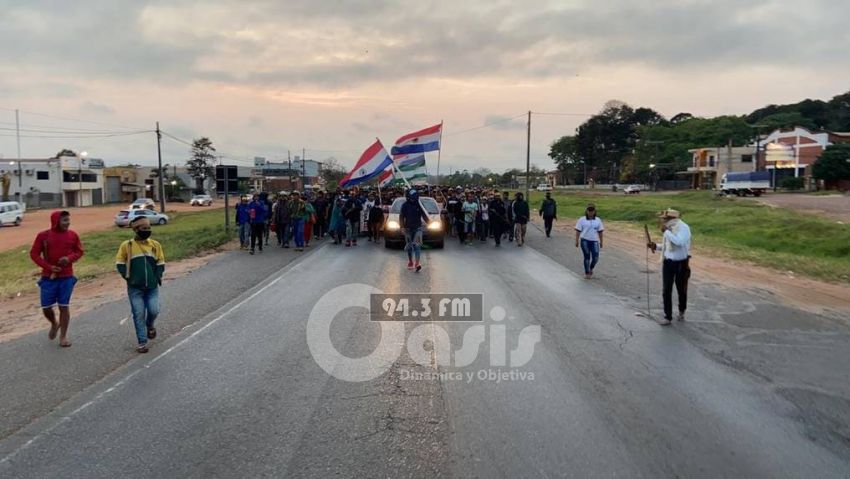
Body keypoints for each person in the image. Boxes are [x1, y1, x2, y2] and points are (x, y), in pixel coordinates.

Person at [29, 210, 84, 348]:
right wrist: (49, 267)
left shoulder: (73, 235)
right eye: (64, 220)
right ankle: (54, 323)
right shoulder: (43, 236)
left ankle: (63, 336)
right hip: (49, 278)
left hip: (67, 277)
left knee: (64, 306)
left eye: (68, 220)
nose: (68, 223)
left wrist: (69, 258)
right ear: (56, 221)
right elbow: (34, 254)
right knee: (46, 307)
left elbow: (79, 251)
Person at [115, 216, 165, 353]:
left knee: (154, 310)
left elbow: (161, 263)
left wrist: (157, 277)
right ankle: (142, 342)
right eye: (144, 228)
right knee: (138, 314)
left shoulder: (155, 245)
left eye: (149, 228)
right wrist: (129, 278)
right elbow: (119, 263)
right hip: (135, 288)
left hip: (152, 288)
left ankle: (150, 325)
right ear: (136, 230)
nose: (147, 230)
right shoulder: (127, 246)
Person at [647, 209, 692, 325]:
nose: (663, 221)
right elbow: (667, 246)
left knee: (681, 289)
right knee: (666, 290)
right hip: (667, 262)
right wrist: (656, 246)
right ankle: (668, 316)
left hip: (681, 263)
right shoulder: (670, 229)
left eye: (665, 219)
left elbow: (679, 242)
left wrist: (667, 232)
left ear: (672, 219)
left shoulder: (683, 228)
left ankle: (682, 310)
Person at [400, 189, 430, 272]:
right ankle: (410, 261)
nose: (414, 199)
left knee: (417, 245)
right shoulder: (405, 205)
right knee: (409, 246)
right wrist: (402, 227)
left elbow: (424, 215)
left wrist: (429, 222)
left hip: (418, 229)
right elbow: (401, 216)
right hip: (407, 229)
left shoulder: (419, 205)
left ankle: (417, 263)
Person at [575, 203, 604, 279]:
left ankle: (591, 268)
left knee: (595, 257)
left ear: (595, 211)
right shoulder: (582, 220)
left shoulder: (598, 220)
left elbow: (600, 232)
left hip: (594, 241)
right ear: (586, 211)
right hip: (585, 240)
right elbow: (578, 231)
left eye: (592, 210)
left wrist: (601, 241)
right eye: (589, 210)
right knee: (587, 256)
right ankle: (587, 272)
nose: (591, 212)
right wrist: (576, 241)